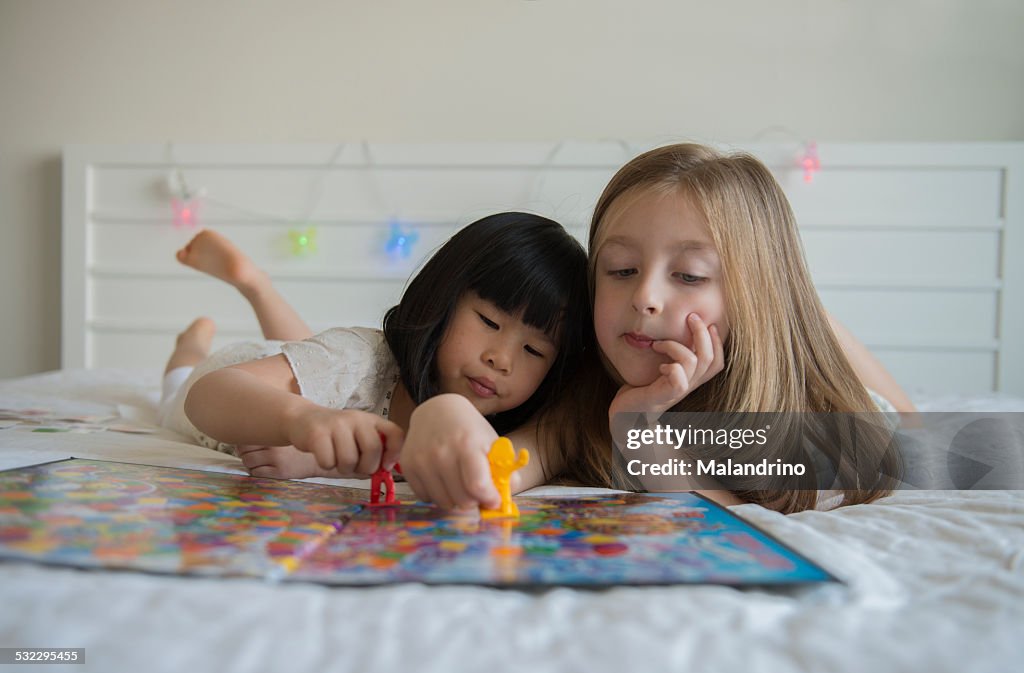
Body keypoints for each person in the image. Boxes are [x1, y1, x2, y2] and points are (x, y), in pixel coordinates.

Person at [396, 143, 914, 513]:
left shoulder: (814, 423)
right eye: (620, 270)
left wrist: (642, 436)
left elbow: (738, 527)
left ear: (750, 299)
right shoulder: (582, 400)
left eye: (688, 275)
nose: (644, 298)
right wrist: (444, 414)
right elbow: (498, 470)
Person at [158, 213, 589, 509]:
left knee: (311, 354)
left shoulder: (510, 428)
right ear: (443, 297)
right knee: (181, 381)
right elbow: (206, 397)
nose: (501, 359)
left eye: (534, 351)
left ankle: (255, 285)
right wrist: (304, 422)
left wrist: (314, 460)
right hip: (229, 375)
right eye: (489, 321)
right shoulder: (365, 359)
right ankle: (193, 342)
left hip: (304, 374)